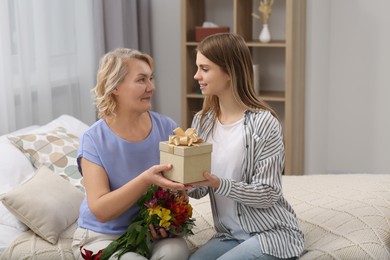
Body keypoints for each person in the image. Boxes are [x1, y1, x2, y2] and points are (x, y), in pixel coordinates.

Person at [188, 33, 304, 260]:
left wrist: (219, 183)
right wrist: (182, 183)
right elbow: (201, 189)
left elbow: (269, 194)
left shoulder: (264, 123)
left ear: (229, 72)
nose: (196, 75)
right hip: (229, 235)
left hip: (272, 234)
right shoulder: (202, 122)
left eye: (205, 68)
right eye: (197, 68)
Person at [71, 48, 189, 260]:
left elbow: (179, 194)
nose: (151, 87)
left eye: (151, 79)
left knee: (176, 252)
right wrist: (145, 180)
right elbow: (100, 210)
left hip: (151, 233)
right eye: (141, 80)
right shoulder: (93, 139)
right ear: (115, 86)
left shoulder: (167, 128)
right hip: (103, 236)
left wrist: (170, 222)